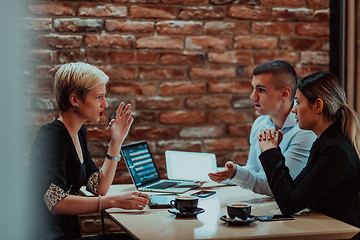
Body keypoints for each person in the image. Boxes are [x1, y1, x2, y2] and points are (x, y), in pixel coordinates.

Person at [26, 62, 151, 240]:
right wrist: (114, 201)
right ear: (75, 99)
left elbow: (99, 187)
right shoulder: (52, 136)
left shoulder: (79, 132)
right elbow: (56, 202)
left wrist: (116, 142)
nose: (105, 104)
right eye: (98, 97)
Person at [258, 72, 360, 238]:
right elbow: (292, 192)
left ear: (318, 106)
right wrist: (274, 150)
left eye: (297, 102)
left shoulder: (336, 151)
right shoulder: (326, 142)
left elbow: (289, 204)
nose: (293, 110)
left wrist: (270, 153)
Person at [208, 60, 316, 196]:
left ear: (284, 93)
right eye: (254, 88)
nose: (253, 96)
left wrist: (236, 173)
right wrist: (214, 174)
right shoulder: (260, 123)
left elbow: (280, 186)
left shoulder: (305, 130)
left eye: (261, 90)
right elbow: (253, 170)